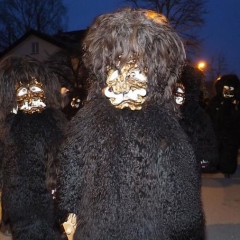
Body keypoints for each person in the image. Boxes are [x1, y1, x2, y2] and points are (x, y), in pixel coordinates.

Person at [57, 8, 205, 239]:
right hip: (96, 224)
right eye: (117, 70)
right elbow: (72, 166)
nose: (124, 83)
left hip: (149, 226)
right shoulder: (87, 121)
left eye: (135, 73)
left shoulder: (163, 126)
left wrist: (184, 225)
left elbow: (180, 186)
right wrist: (68, 211)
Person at [0, 55, 67, 240]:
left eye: (35, 90)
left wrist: (60, 185)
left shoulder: (53, 121)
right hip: (17, 199)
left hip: (48, 197)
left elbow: (62, 153)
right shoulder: (10, 125)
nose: (30, 97)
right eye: (22, 92)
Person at [206, 74, 240, 178]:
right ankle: (218, 166)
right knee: (218, 151)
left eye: (231, 89)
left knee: (229, 152)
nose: (228, 91)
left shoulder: (236, 102)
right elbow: (208, 114)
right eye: (226, 88)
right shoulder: (215, 101)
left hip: (232, 134)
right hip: (217, 132)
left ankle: (228, 170)